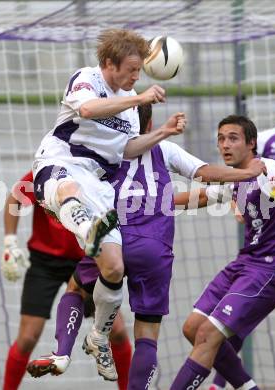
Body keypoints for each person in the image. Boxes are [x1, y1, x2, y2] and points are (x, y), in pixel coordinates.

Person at [27, 106, 267, 388]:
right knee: (147, 335)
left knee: (76, 289)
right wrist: (243, 175)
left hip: (114, 237)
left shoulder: (103, 150)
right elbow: (204, 172)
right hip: (154, 248)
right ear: (150, 121)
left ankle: (63, 352)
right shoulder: (165, 149)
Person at [31, 27, 186, 380]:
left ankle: (98, 336)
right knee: (67, 189)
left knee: (113, 268)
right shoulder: (87, 79)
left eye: (139, 71)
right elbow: (87, 109)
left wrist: (161, 132)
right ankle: (89, 230)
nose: (136, 76)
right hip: (62, 162)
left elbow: (126, 150)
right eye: (131, 69)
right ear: (108, 63)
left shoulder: (131, 112)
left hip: (98, 183)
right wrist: (139, 97)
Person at [171, 115, 275, 390]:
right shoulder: (236, 179)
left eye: (233, 138)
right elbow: (203, 197)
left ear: (251, 143)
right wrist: (154, 202)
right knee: (192, 327)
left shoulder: (269, 170)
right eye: (221, 139)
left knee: (207, 334)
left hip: (271, 268)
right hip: (245, 262)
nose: (225, 145)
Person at [210, 77, 275, 390]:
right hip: (266, 247)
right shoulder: (268, 141)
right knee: (236, 321)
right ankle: (219, 383)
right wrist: (235, 200)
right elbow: (242, 177)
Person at [1, 171, 132, 390]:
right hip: (46, 262)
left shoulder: (96, 169)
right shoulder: (46, 170)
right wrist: (9, 242)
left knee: (117, 332)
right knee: (27, 338)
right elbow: (14, 198)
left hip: (86, 257)